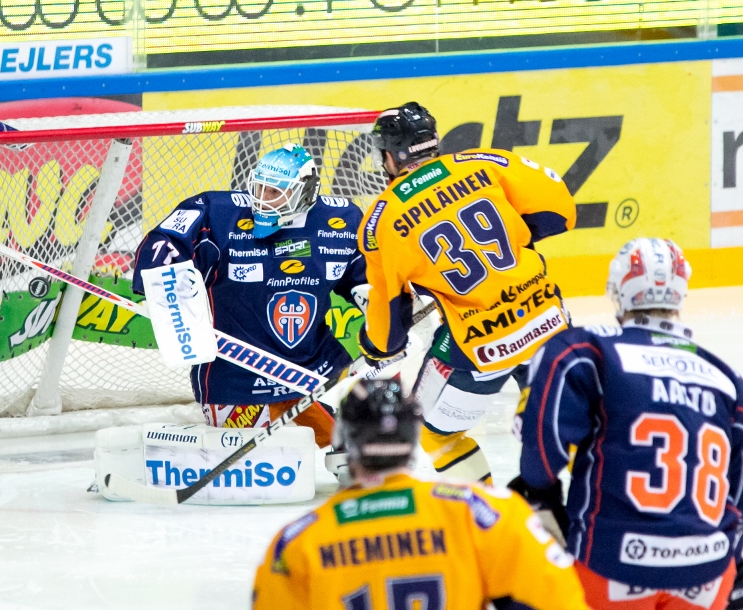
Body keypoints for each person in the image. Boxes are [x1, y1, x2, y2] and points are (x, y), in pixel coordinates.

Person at [515, 238, 743, 609]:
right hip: (707, 572)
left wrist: (540, 494)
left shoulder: (586, 351)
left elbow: (540, 455)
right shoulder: (725, 376)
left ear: (617, 291)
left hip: (611, 564)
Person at [357, 102, 577, 483]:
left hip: (480, 344)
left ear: (392, 156)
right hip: (547, 318)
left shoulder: (382, 219)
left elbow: (390, 326)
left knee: (432, 434)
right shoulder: (486, 162)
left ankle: (489, 519)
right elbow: (560, 214)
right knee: (565, 418)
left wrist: (374, 345)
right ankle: (612, 497)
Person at [251, 377, 590, 609]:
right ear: (413, 438)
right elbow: (559, 599)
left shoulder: (297, 543)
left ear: (344, 441)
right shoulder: (484, 513)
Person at [132, 143, 368, 448]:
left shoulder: (341, 220)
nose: (262, 200)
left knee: (357, 452)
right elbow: (165, 241)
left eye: (274, 192)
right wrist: (161, 283)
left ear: (305, 193)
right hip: (236, 380)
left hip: (315, 371)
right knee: (267, 469)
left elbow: (364, 272)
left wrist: (374, 299)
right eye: (260, 188)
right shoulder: (216, 213)